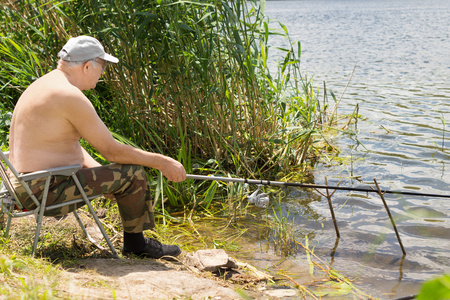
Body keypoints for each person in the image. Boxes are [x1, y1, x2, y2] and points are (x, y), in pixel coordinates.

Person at [8, 35, 186, 259]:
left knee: (121, 175)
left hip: (27, 188)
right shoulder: (69, 95)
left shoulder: (46, 84)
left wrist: (103, 177)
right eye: (101, 66)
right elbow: (112, 150)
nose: (102, 73)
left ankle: (136, 242)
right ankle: (136, 245)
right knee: (133, 173)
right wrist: (163, 162)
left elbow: (66, 144)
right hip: (44, 192)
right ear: (86, 66)